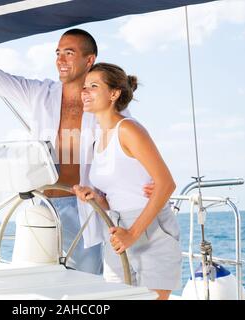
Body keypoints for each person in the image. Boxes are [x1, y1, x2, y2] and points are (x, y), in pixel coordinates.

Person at [0, 30, 153, 275]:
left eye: (69, 52)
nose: (60, 60)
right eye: (57, 53)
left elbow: (131, 149)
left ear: (89, 60)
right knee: (35, 285)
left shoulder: (110, 109)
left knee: (83, 288)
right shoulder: (40, 93)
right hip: (39, 206)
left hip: (84, 208)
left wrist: (149, 183)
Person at [73, 63, 182, 299]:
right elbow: (120, 191)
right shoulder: (98, 139)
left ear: (114, 94)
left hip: (150, 227)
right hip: (116, 228)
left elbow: (166, 184)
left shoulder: (128, 129)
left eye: (93, 86)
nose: (85, 92)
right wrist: (97, 200)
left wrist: (132, 234)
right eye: (84, 87)